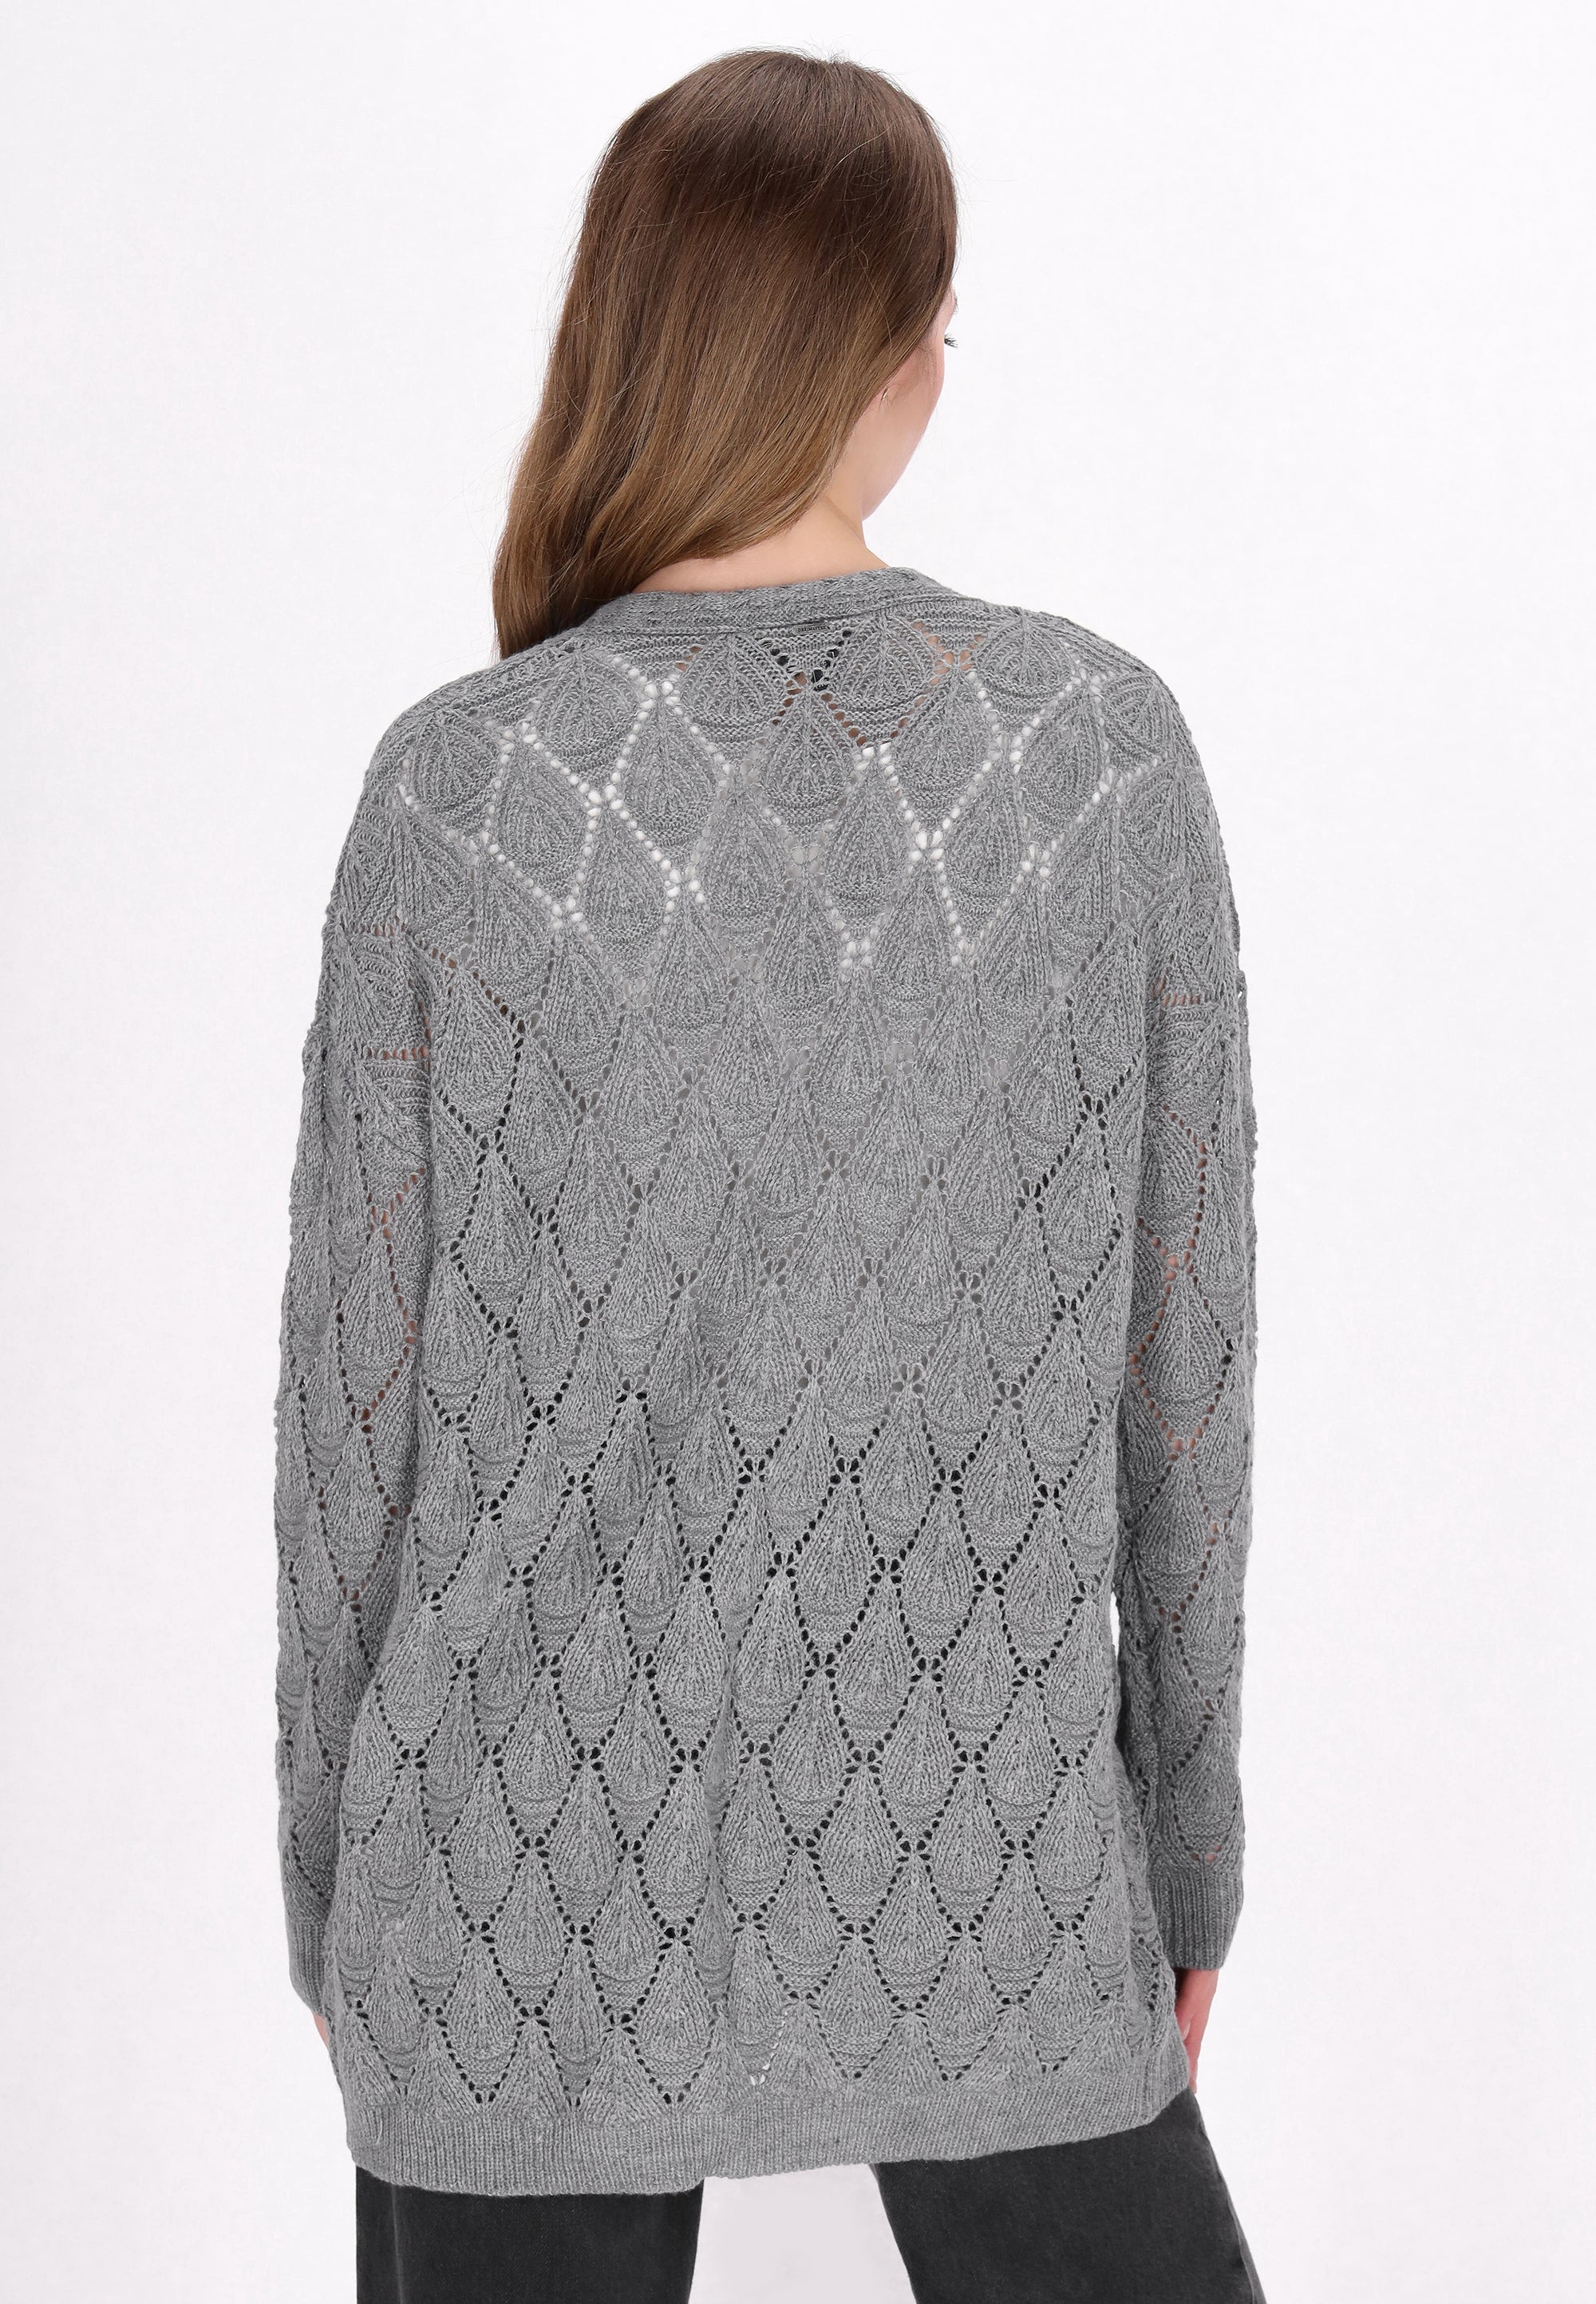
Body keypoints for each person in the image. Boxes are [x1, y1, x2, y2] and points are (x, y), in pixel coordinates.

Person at [271, 46, 1264, 2304]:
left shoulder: (458, 789)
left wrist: (340, 1890)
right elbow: (1180, 1381)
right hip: (997, 1869)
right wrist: (1187, 1852)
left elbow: (351, 1424)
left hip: (503, 1888)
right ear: (881, 353)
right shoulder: (1099, 755)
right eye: (942, 322)